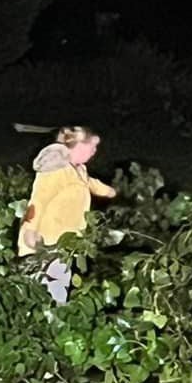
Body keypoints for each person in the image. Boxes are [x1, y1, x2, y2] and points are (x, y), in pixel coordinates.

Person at [18, 125, 117, 304]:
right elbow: (38, 202)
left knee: (60, 275)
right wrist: (30, 230)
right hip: (48, 239)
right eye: (91, 147)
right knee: (51, 281)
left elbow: (87, 183)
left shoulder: (79, 169)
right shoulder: (55, 171)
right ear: (76, 148)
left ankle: (53, 309)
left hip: (68, 237)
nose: (95, 151)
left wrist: (108, 191)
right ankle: (52, 312)